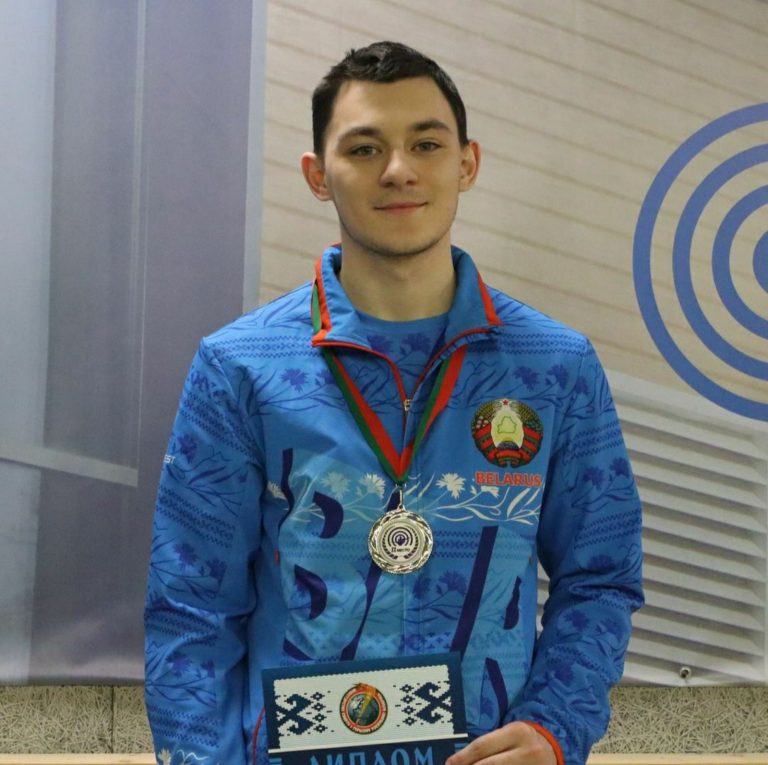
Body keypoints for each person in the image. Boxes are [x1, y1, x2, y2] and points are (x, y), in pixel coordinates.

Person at [144, 41, 643, 765]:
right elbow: (191, 605)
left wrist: (555, 726)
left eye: (426, 144)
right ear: (318, 175)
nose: (399, 170)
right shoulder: (239, 367)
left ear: (467, 162)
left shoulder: (554, 366)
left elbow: (600, 576)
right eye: (365, 148)